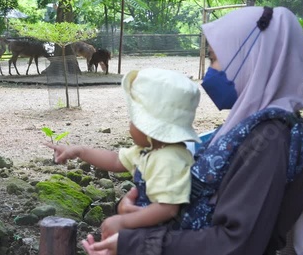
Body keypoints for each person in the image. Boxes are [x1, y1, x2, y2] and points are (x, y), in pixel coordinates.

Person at [81, 6, 303, 255]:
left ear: (253, 60)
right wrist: (137, 214)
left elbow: (237, 243)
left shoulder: (269, 141)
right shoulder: (247, 127)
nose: (209, 72)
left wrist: (135, 244)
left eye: (214, 58)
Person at [46, 67, 201, 239]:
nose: (129, 125)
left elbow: (167, 208)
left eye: (133, 119)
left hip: (165, 238)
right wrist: (80, 151)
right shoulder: (149, 150)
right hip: (150, 231)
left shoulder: (169, 159)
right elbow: (115, 161)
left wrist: (123, 222)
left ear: (148, 126)